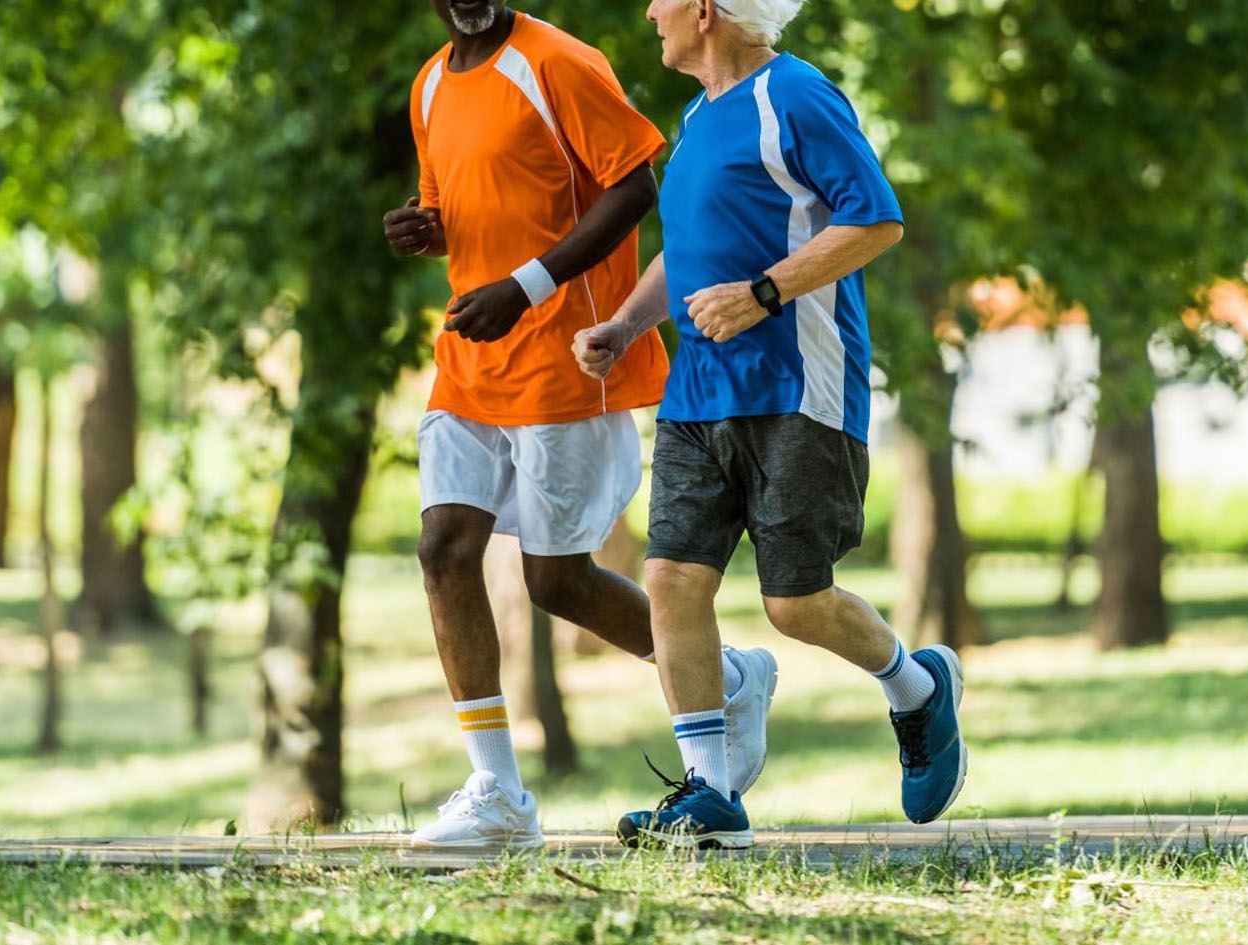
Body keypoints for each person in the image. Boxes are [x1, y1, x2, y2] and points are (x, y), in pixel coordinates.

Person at [573, 0, 967, 849]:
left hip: (798, 386)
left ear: (706, 11)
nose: (650, 11)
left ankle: (917, 687)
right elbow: (689, 245)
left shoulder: (797, 95)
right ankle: (711, 793)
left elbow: (876, 218)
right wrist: (629, 324)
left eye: (664, 0)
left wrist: (763, 295)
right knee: (673, 580)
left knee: (795, 603)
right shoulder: (698, 115)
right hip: (696, 394)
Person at [385, 0, 777, 850]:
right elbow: (475, 202)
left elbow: (637, 187)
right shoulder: (426, 87)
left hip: (563, 359)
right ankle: (496, 791)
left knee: (556, 580)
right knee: (443, 548)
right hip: (469, 359)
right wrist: (425, 228)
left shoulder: (559, 61)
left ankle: (732, 677)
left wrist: (526, 287)